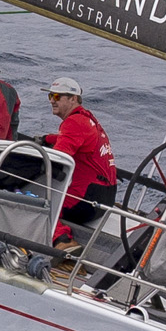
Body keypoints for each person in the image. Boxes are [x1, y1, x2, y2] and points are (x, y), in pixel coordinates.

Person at [41, 79, 117, 248]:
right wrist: (48, 139)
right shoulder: (88, 120)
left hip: (86, 200)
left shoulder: (73, 122)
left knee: (34, 194)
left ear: (73, 99)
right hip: (105, 197)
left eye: (57, 96)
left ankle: (62, 239)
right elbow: (76, 139)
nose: (52, 100)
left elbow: (58, 158)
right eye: (50, 96)